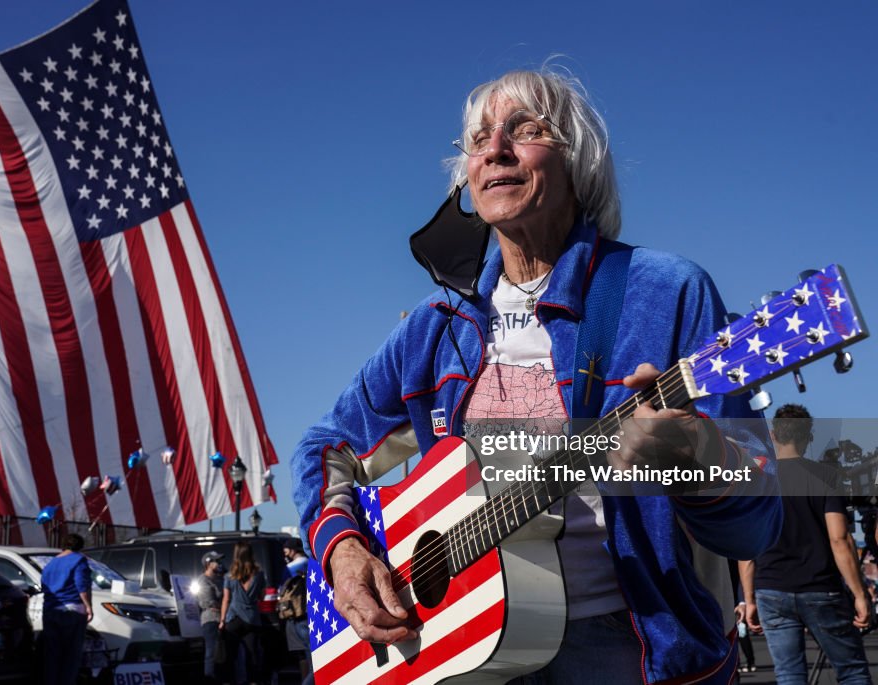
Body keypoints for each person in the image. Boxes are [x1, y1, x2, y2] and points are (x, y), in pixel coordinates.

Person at [291, 66, 781, 684]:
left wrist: (696, 456)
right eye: (478, 138)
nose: (495, 148)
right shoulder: (433, 329)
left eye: (525, 130)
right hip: (456, 644)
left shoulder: (665, 292)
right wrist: (341, 546)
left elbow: (756, 526)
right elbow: (323, 445)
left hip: (627, 644)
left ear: (579, 161)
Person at [740, 404, 873, 684]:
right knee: (852, 671)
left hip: (770, 587)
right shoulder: (826, 476)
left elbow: (746, 547)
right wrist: (860, 593)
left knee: (789, 675)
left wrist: (749, 599)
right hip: (819, 586)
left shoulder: (758, 479)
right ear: (808, 437)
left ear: (773, 435)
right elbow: (839, 539)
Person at [40, 533, 93, 685]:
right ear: (80, 547)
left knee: (52, 656)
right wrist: (89, 607)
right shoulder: (78, 560)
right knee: (71, 656)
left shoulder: (50, 563)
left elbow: (44, 586)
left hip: (50, 611)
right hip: (72, 610)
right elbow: (82, 586)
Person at [219, 541, 265, 685]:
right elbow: (261, 597)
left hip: (234, 618)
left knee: (230, 655)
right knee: (252, 654)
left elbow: (226, 599)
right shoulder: (258, 575)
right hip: (251, 619)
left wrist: (222, 620)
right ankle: (253, 681)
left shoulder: (229, 576)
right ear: (251, 554)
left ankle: (231, 681)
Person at [281, 538, 312, 683]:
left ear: (292, 550)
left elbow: (281, 588)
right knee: (311, 653)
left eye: (286, 550)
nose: (285, 553)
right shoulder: (310, 562)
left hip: (297, 614)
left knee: (306, 655)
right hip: (310, 611)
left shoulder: (290, 568)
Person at [193, 550, 225, 684]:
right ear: (208, 563)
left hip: (223, 618)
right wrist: (224, 604)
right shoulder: (203, 580)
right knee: (211, 651)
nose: (219, 563)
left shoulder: (221, 579)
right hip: (211, 619)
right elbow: (209, 602)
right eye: (216, 561)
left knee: (222, 653)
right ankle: (209, 678)